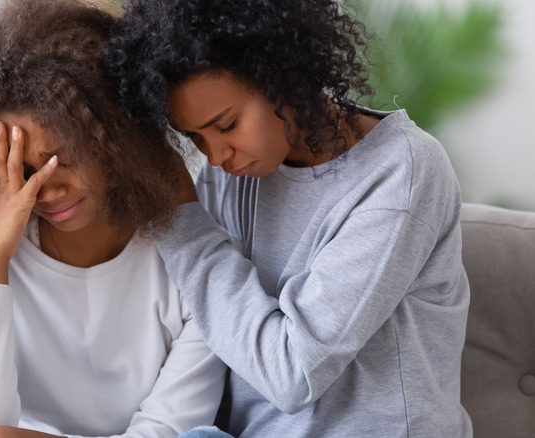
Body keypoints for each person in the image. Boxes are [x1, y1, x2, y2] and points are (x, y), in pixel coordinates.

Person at [106, 0, 473, 437]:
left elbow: (293, 375)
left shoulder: (401, 173)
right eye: (193, 137)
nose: (215, 156)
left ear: (283, 77)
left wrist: (180, 221)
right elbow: (211, 318)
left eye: (226, 126)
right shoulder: (235, 172)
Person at [0, 1, 226, 437]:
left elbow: (173, 430)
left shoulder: (189, 265)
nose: (47, 189)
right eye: (21, 172)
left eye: (62, 159)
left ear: (116, 137)